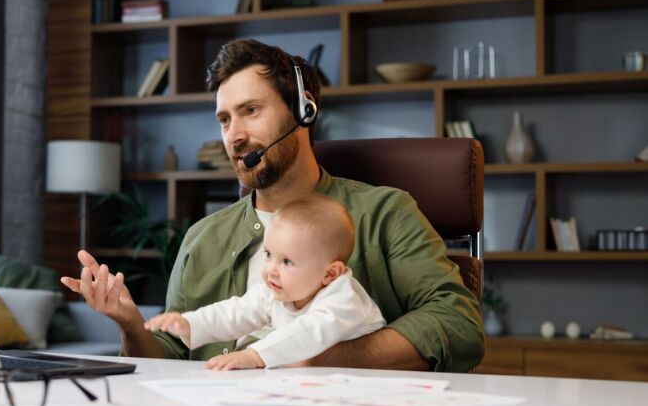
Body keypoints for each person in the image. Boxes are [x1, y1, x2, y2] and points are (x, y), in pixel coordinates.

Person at [61, 39, 484, 372]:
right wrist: (131, 323)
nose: (235, 136)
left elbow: (457, 324)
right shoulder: (202, 238)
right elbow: (167, 361)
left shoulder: (385, 213)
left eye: (251, 110)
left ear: (305, 111)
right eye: (225, 120)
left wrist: (312, 358)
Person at [143, 194, 386, 370]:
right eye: (268, 255)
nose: (271, 270)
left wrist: (255, 355)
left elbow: (307, 334)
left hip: (367, 382)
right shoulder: (276, 291)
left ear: (330, 274)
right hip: (317, 380)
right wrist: (189, 323)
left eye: (287, 262)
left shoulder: (343, 298)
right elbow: (236, 312)